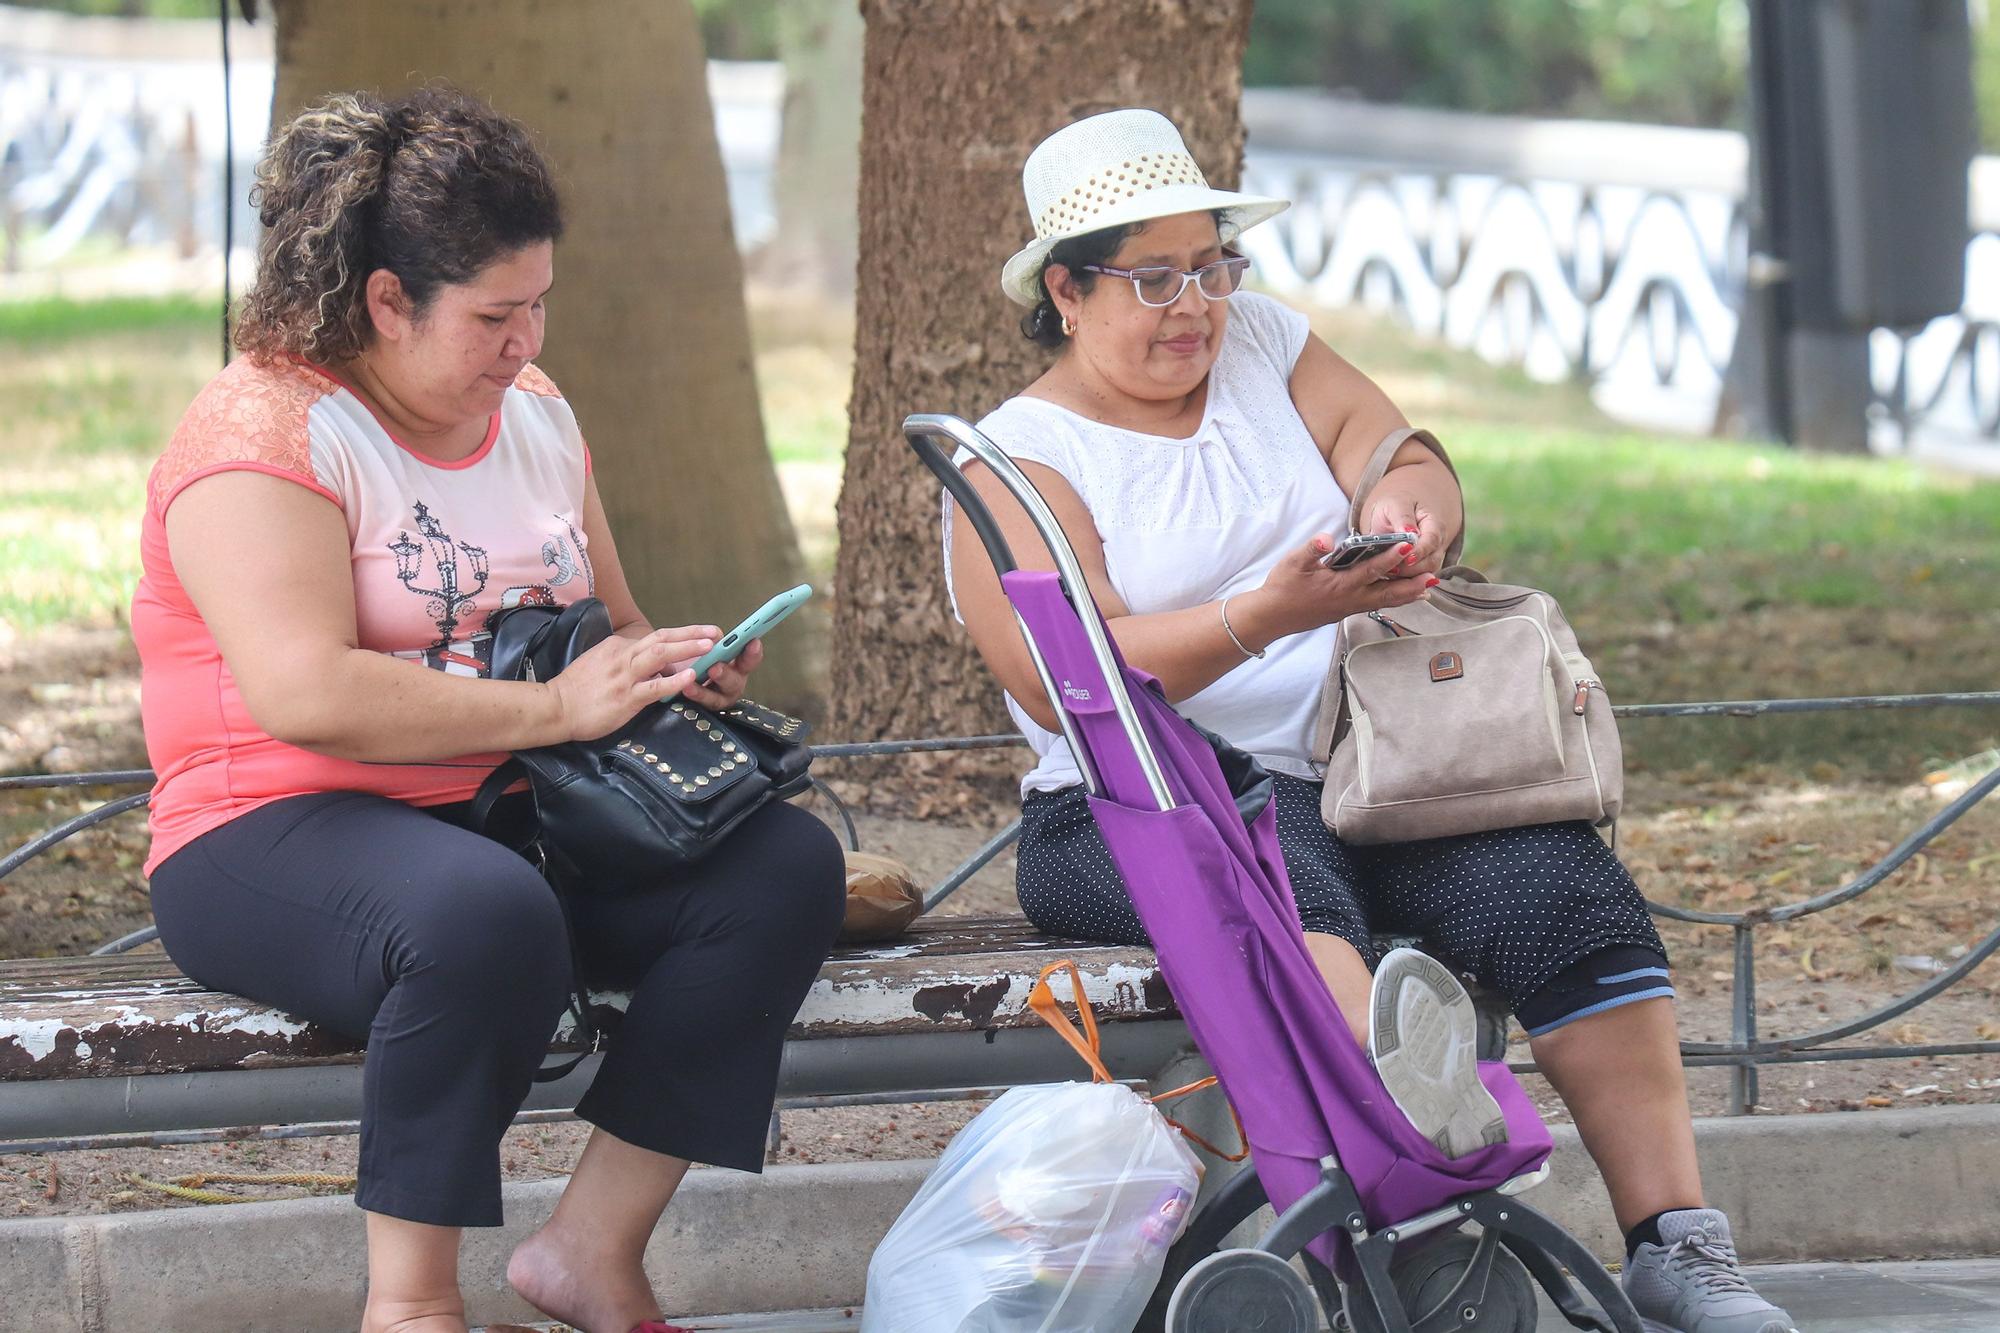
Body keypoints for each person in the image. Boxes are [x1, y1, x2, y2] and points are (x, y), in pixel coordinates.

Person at [943, 108, 1798, 1333]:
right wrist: (1271, 610)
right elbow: (1062, 676)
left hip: (1372, 776)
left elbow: (1396, 445)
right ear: (1067, 292)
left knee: (1558, 890)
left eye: (1212, 267)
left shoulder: (1267, 348)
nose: (1195, 304)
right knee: (1293, 894)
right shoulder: (1015, 462)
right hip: (1142, 808)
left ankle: (1674, 1242)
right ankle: (1424, 1206)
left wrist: (1408, 510)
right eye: (1155, 277)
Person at [132, 88, 845, 1333]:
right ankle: (409, 1305)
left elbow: (604, 629)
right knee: (478, 915)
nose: (524, 343)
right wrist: (565, 709)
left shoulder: (536, 413)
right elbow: (303, 693)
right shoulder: (263, 431)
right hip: (274, 824)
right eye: (493, 315)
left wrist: (661, 668)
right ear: (385, 301)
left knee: (782, 868)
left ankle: (590, 1247)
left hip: (512, 805)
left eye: (538, 306)